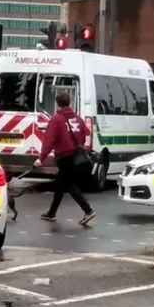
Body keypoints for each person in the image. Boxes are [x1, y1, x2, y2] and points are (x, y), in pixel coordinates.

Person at [37, 91, 96, 226]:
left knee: (68, 184)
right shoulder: (77, 118)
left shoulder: (56, 119)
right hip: (75, 156)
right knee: (61, 184)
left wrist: (41, 158)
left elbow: (49, 141)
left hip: (64, 157)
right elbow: (85, 133)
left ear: (57, 103)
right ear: (69, 102)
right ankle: (51, 213)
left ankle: (88, 210)